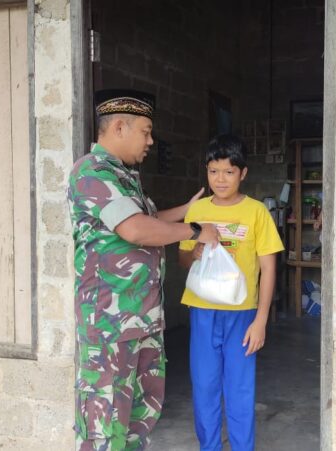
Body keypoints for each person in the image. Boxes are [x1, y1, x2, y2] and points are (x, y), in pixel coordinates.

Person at [67, 89, 220, 451]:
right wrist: (195, 231)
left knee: (138, 422)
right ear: (119, 126)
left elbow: (145, 218)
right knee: (104, 429)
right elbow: (135, 230)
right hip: (109, 328)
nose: (151, 141)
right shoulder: (90, 172)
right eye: (146, 131)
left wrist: (186, 210)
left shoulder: (125, 175)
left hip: (142, 322)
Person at [179, 134, 284, 451]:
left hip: (241, 315)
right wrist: (196, 251)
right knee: (205, 387)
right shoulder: (197, 210)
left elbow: (268, 268)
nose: (220, 179)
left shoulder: (256, 213)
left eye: (228, 171)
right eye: (213, 171)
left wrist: (261, 320)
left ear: (243, 173)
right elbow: (183, 260)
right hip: (202, 311)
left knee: (239, 390)